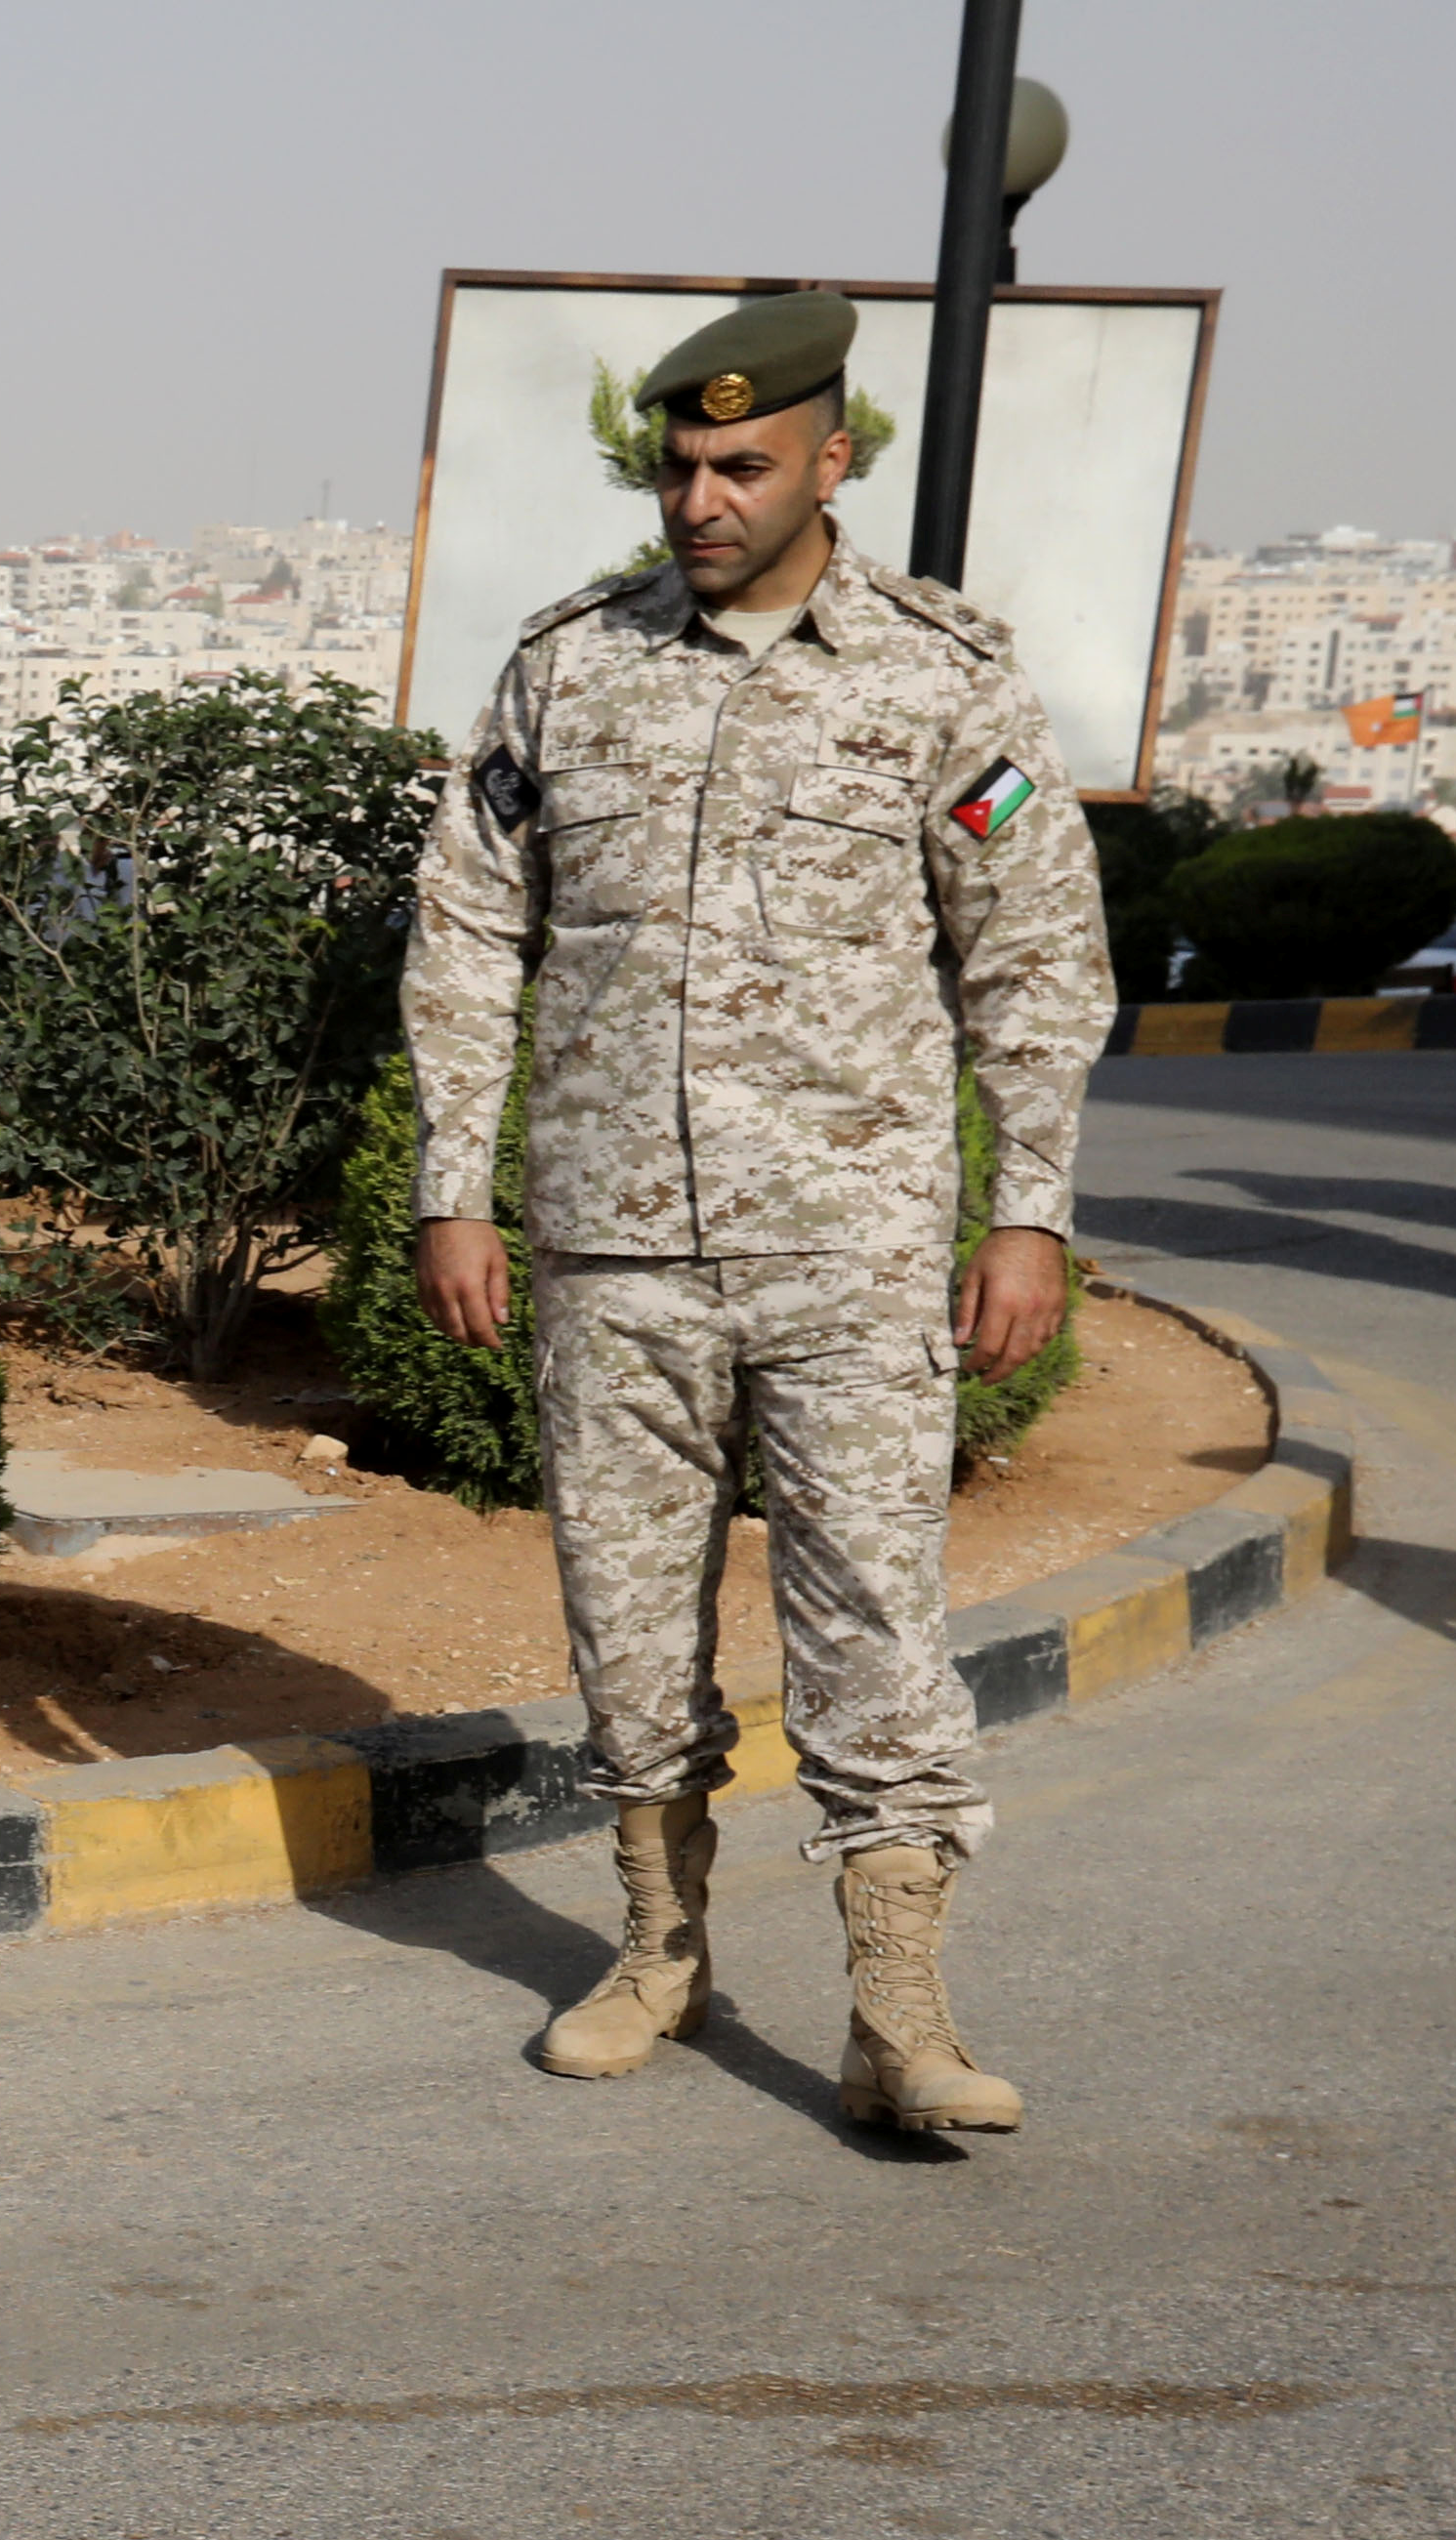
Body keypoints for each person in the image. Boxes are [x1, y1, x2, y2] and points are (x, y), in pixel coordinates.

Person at [400, 288, 1108, 2132]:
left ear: (829, 463)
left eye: (740, 464)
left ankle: (898, 2011)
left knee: (871, 1619)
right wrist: (445, 1186)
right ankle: (653, 1945)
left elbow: (1033, 958)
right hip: (609, 1238)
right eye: (678, 464)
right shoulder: (565, 669)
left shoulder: (942, 679)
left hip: (847, 1241)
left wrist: (1022, 1211)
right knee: (626, 1616)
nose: (699, 498)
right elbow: (471, 934)